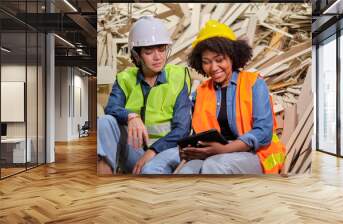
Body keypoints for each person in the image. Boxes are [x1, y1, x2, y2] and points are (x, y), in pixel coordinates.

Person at [177, 20, 285, 174]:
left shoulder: (254, 83)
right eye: (206, 62)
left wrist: (224, 149)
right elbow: (197, 132)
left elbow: (263, 133)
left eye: (219, 60)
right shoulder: (201, 92)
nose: (213, 68)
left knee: (214, 166)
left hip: (255, 153)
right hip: (214, 152)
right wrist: (190, 149)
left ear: (232, 56)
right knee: (186, 172)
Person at [97, 16, 191, 175]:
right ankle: (103, 184)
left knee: (150, 171)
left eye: (161, 49)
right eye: (149, 51)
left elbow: (182, 129)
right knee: (105, 122)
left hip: (167, 150)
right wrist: (131, 116)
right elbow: (111, 108)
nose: (158, 57)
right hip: (135, 150)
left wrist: (153, 150)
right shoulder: (125, 78)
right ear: (137, 54)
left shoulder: (178, 77)